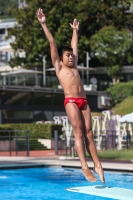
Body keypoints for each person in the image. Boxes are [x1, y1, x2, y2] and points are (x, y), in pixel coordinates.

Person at [36, 8, 105, 183]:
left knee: (89, 132)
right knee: (79, 131)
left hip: (84, 101)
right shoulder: (59, 67)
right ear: (61, 57)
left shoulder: (74, 67)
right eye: (68, 56)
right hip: (71, 101)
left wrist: (75, 31)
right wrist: (43, 24)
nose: (71, 58)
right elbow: (52, 42)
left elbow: (74, 46)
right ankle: (84, 166)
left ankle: (97, 164)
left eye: (72, 56)